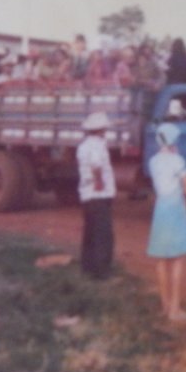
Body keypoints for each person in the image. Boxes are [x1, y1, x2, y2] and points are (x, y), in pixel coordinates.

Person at [146, 122, 186, 320]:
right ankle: (175, 310)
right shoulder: (178, 160)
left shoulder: (153, 161)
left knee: (161, 259)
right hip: (175, 210)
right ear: (175, 140)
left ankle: (165, 306)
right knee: (177, 259)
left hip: (160, 209)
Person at [77, 111, 117, 279]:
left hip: (87, 194)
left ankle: (88, 267)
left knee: (90, 232)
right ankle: (102, 272)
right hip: (98, 194)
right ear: (100, 129)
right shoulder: (97, 145)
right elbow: (96, 165)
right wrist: (100, 184)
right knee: (104, 235)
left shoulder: (84, 145)